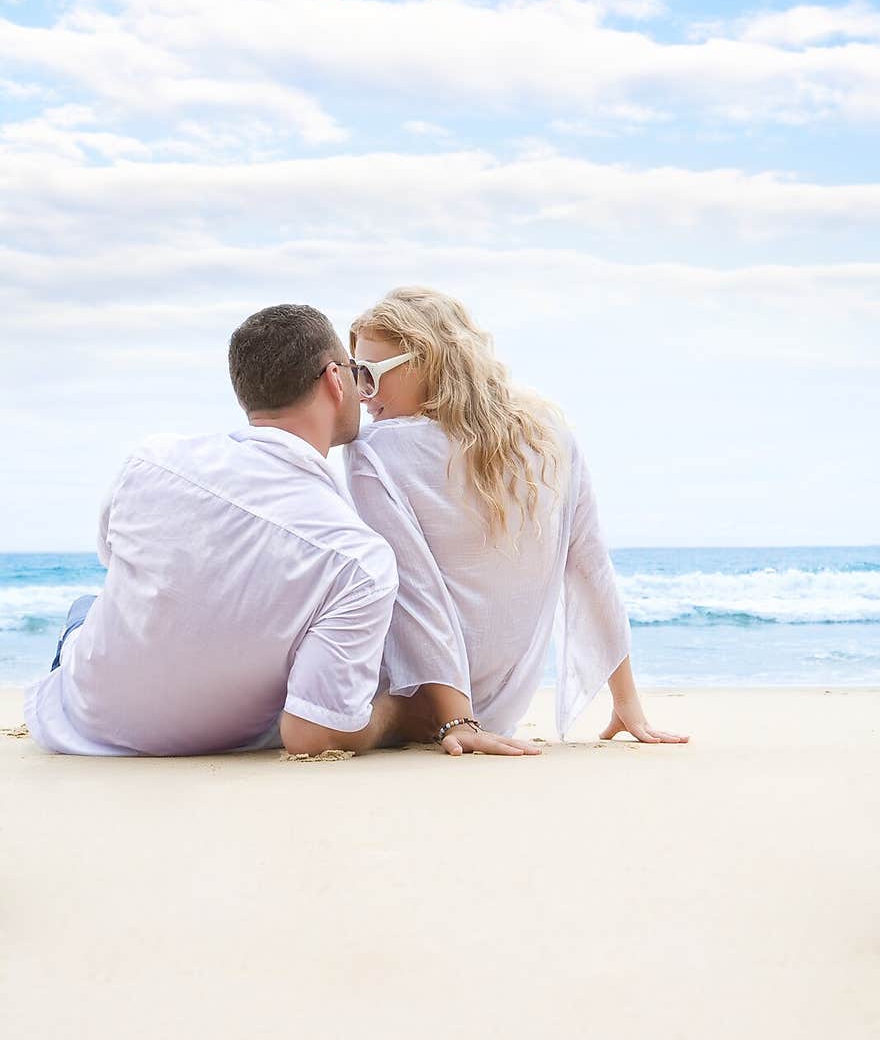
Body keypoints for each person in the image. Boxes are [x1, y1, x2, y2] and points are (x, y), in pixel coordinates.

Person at [25, 302, 539, 760]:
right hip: (207, 739)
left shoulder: (151, 462)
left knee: (91, 608)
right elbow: (312, 735)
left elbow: (125, 568)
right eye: (359, 374)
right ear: (335, 381)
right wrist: (404, 716)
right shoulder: (358, 558)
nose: (364, 392)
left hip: (77, 721)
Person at [344, 286, 689, 749]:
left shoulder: (375, 452)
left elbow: (414, 590)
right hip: (495, 707)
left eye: (369, 373)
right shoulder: (551, 437)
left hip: (421, 698)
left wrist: (456, 721)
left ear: (424, 362)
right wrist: (627, 702)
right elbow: (591, 568)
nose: (362, 394)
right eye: (353, 375)